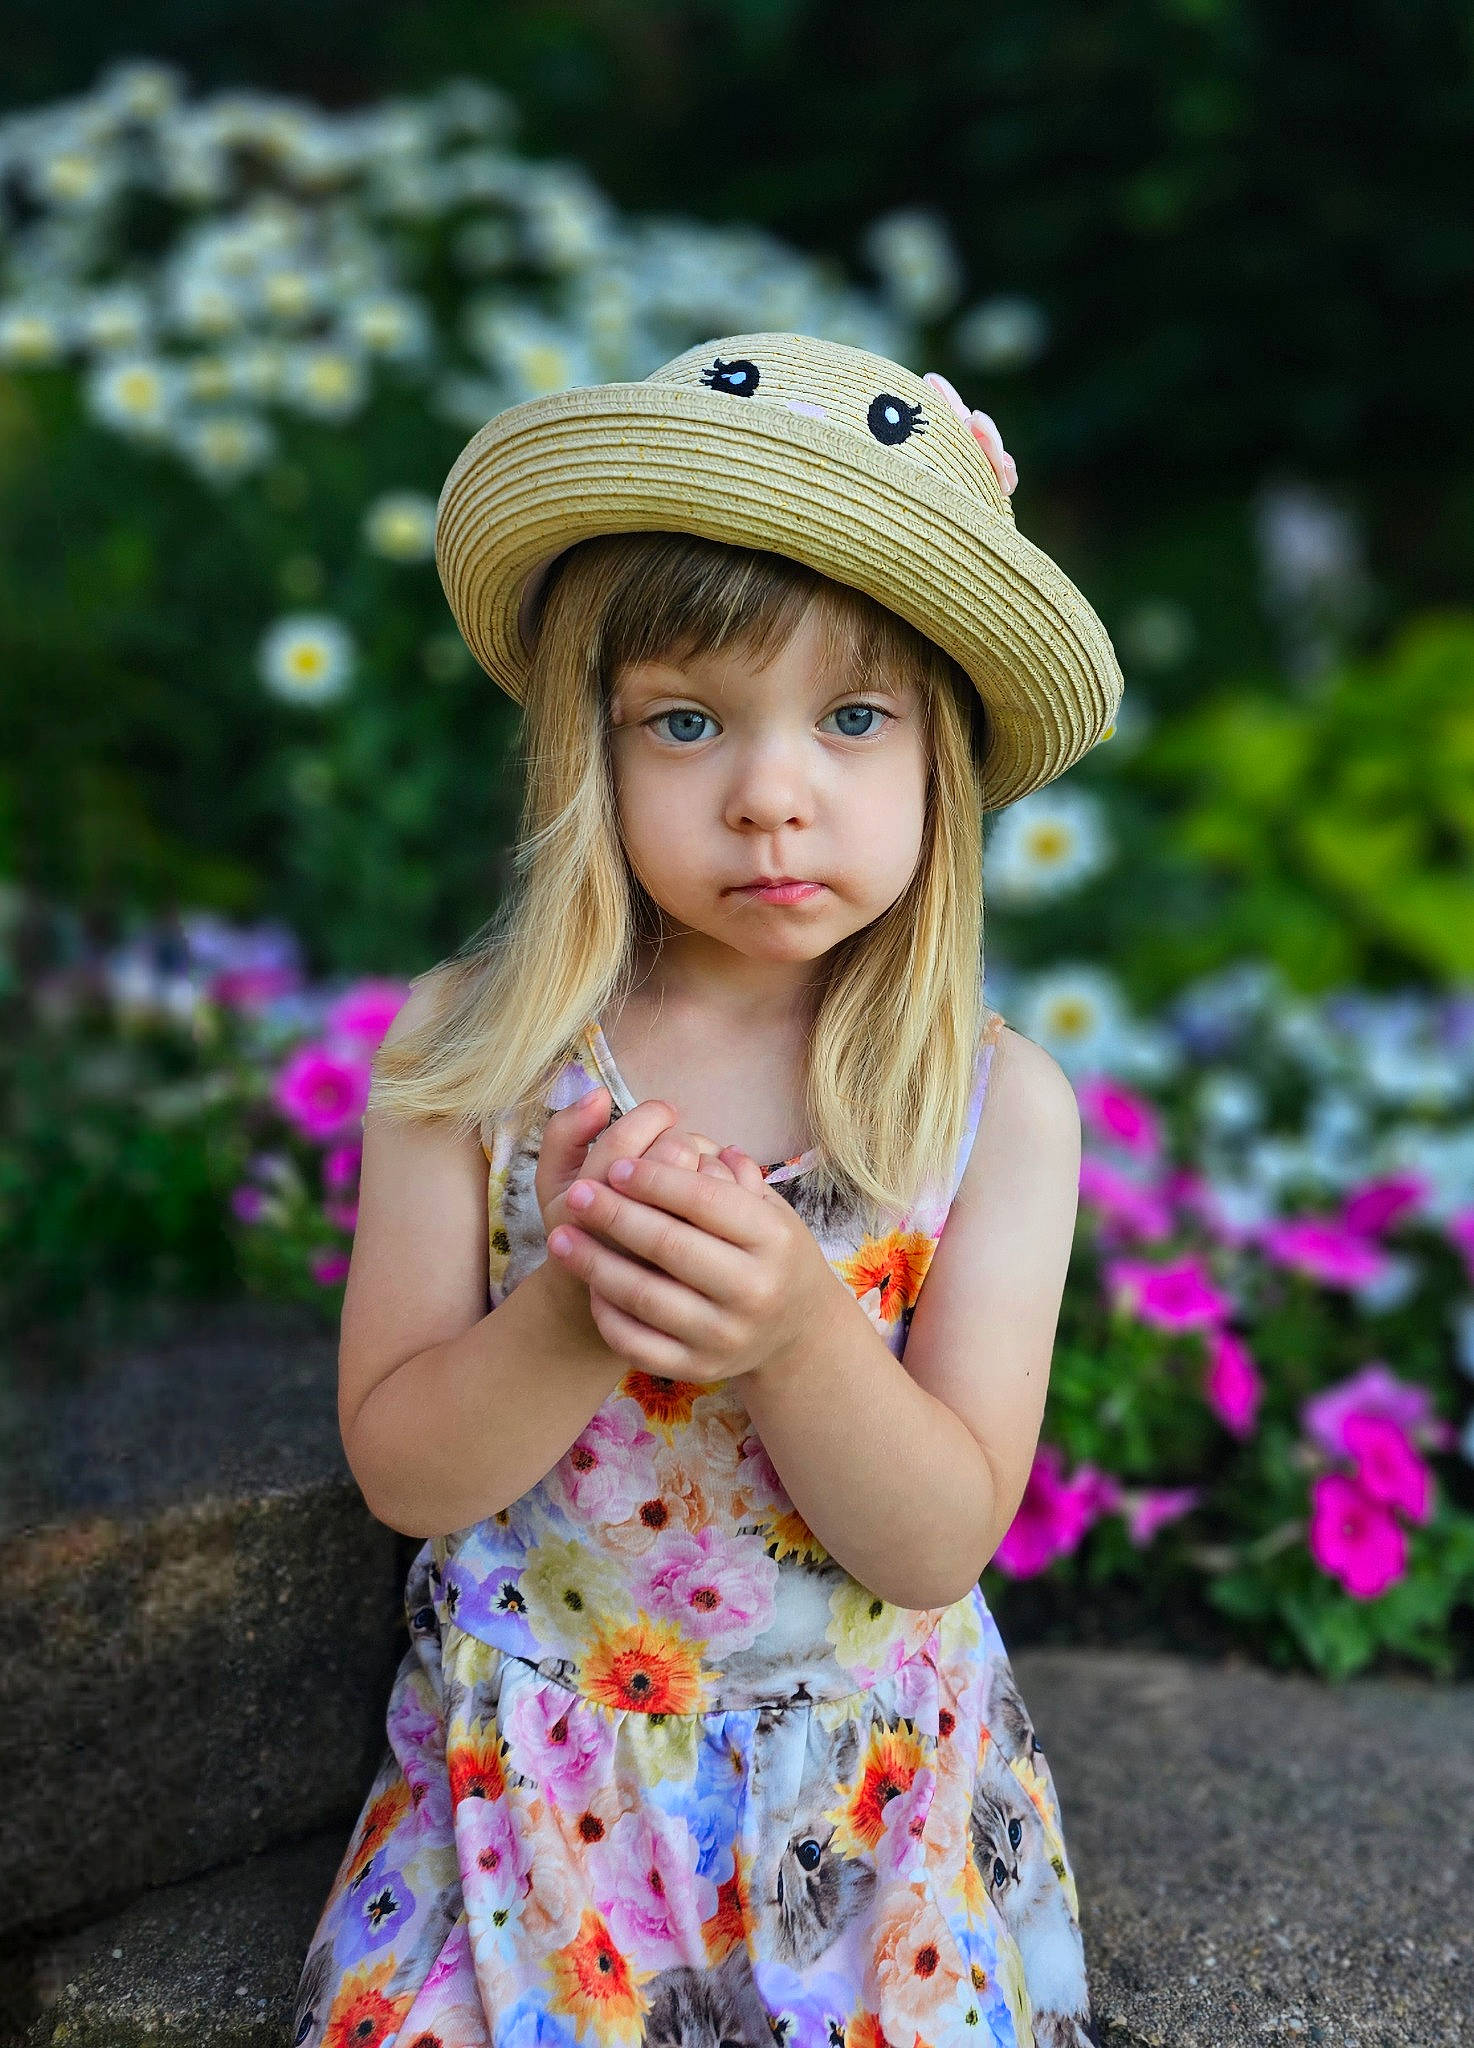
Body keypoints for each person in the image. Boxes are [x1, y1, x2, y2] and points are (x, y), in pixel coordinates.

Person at [292, 331, 1121, 2048]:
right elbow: (401, 1466)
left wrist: (797, 1336)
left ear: (941, 763)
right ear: (588, 752)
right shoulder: (470, 1059)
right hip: (536, 1787)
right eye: (685, 720)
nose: (769, 794)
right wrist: (576, 1314)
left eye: (850, 717)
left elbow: (934, 1537)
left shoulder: (987, 1107)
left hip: (858, 1799)